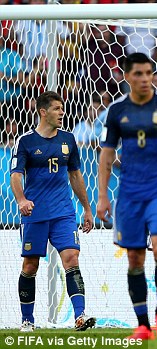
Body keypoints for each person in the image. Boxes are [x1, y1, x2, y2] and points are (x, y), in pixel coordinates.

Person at [96, 53, 157, 341]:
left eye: (149, 73)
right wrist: (102, 195)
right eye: (138, 74)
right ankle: (142, 325)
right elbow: (106, 154)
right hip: (128, 193)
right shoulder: (116, 111)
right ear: (127, 77)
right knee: (135, 258)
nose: (144, 79)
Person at [10, 91, 95, 332]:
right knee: (30, 265)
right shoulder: (25, 141)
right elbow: (16, 175)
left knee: (72, 259)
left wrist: (86, 208)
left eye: (62, 108)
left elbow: (76, 175)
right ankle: (27, 320)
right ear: (43, 112)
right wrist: (21, 200)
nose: (62, 113)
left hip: (63, 213)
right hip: (34, 214)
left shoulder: (68, 140)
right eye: (57, 109)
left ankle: (80, 316)